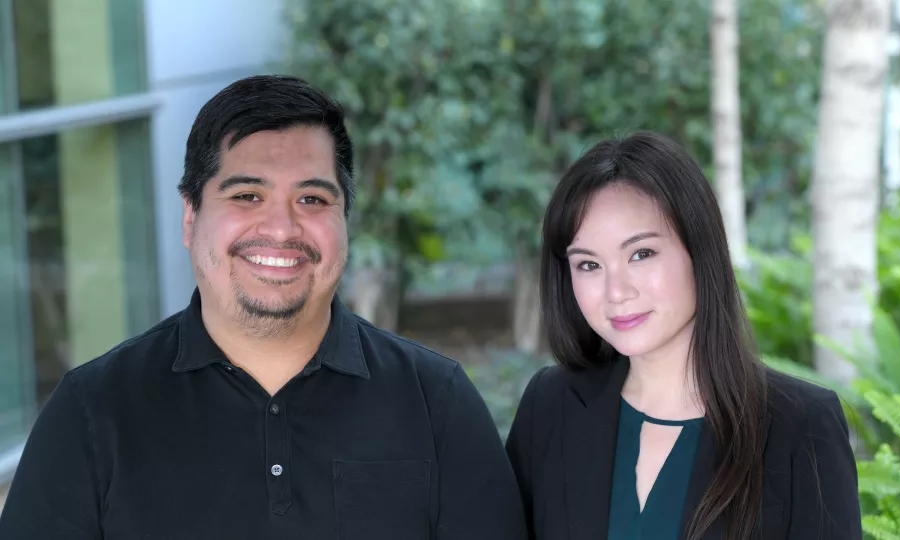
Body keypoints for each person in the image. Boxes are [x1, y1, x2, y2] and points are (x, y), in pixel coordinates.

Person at [0, 75, 525, 540]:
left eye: (313, 200)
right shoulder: (92, 412)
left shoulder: (439, 404)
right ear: (190, 217)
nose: (281, 229)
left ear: (345, 223)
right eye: (247, 195)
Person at [505, 131, 861, 540]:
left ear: (699, 250)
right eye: (588, 265)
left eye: (641, 254)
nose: (616, 292)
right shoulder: (550, 406)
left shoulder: (801, 426)